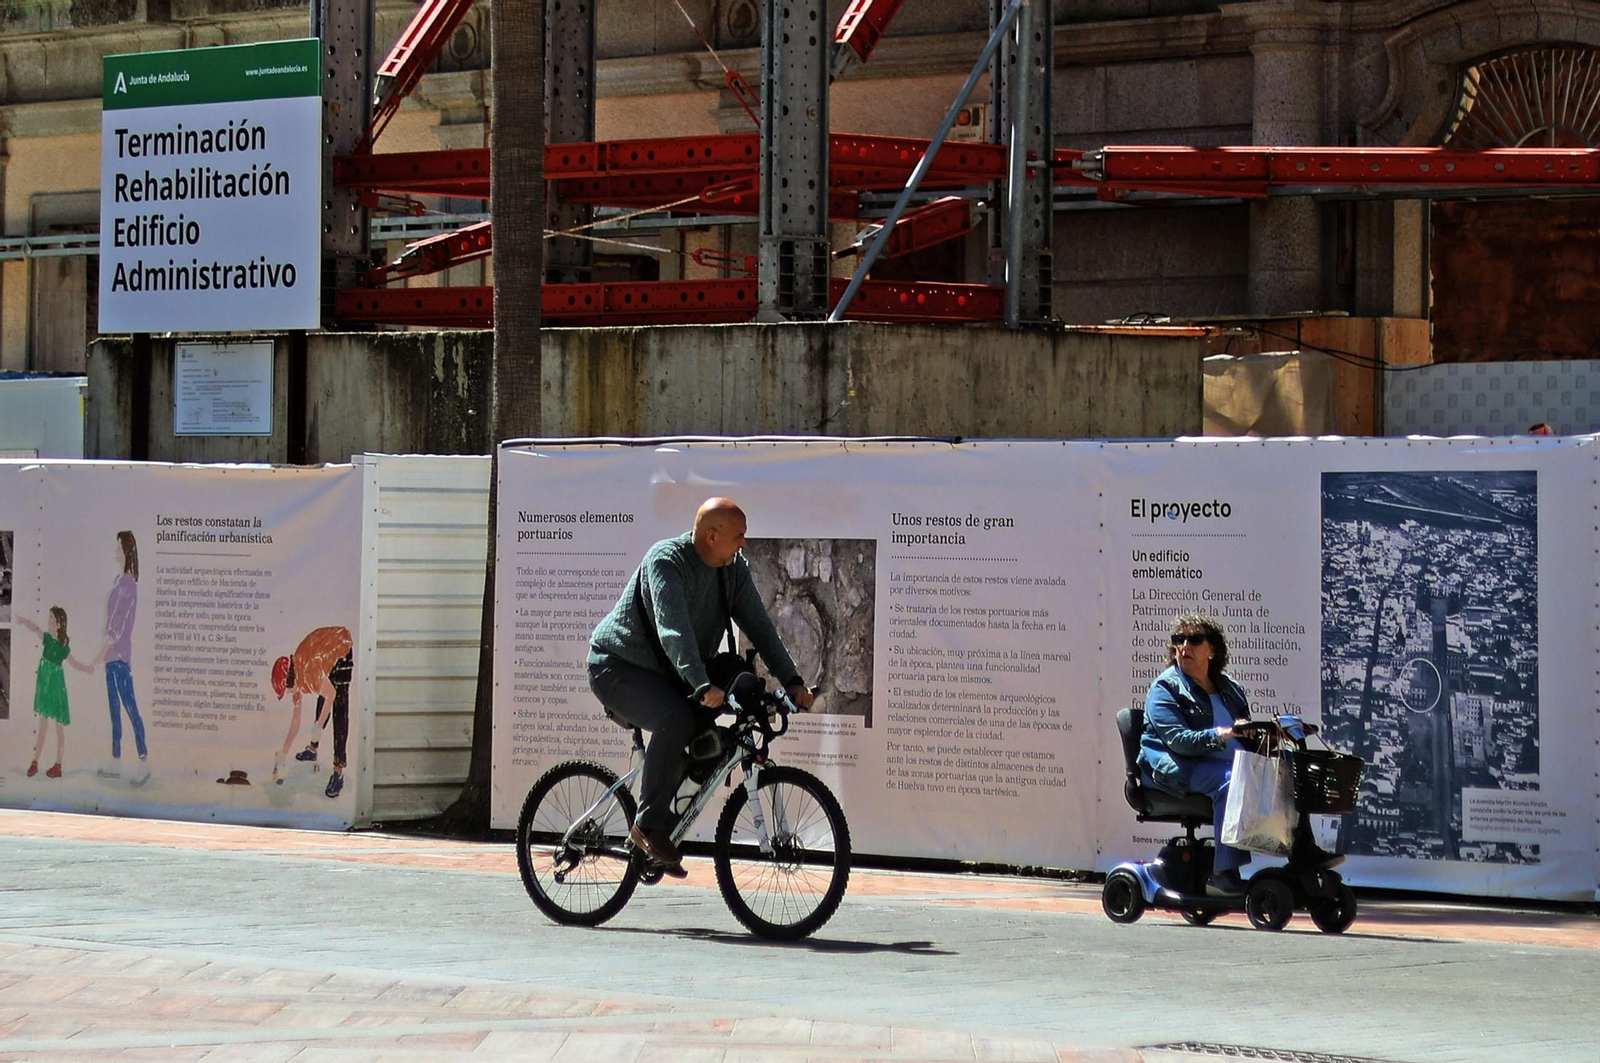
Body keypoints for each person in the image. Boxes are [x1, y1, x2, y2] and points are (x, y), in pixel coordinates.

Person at [588, 497, 813, 877]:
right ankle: (647, 826)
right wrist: (701, 683)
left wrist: (792, 680)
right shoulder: (666, 562)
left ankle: (665, 832)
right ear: (712, 536)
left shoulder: (732, 570)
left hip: (671, 674)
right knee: (675, 720)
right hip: (617, 666)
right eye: (738, 536)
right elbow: (672, 631)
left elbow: (760, 627)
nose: (744, 543)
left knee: (710, 743)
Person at [1137, 611, 1340, 898]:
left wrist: (1267, 737)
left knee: (1289, 766)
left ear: (1212, 650)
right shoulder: (1165, 688)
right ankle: (1223, 873)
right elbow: (1179, 742)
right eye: (1178, 639)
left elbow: (1244, 738)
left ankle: (1303, 851)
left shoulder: (1230, 688)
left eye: (1195, 639)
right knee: (1232, 780)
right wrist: (1223, 733)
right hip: (1175, 767)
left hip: (1222, 762)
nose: (1184, 646)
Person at [90, 531, 148, 784]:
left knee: (130, 709)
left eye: (118, 548)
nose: (115, 553)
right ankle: (115, 762)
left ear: (127, 551)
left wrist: (97, 657)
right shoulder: (119, 581)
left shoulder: (128, 584)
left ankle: (144, 762)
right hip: (111, 658)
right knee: (114, 711)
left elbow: (117, 625)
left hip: (120, 657)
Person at [271, 626, 355, 799]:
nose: (289, 694)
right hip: (325, 655)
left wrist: (318, 726)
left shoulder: (308, 672)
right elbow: (296, 721)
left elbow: (331, 694)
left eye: (287, 690)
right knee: (322, 699)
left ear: (289, 681)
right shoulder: (298, 679)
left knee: (339, 708)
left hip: (342, 649)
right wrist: (284, 751)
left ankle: (338, 772)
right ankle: (312, 749)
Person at [19, 607, 84, 779]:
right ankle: (35, 762)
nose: (48, 622)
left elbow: (74, 663)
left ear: (59, 624)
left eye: (51, 619)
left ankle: (58, 765)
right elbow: (35, 629)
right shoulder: (47, 639)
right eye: (48, 618)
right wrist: (23, 621)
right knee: (43, 725)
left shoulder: (63, 647)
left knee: (58, 727)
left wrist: (87, 669)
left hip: (56, 688)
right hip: (45, 688)